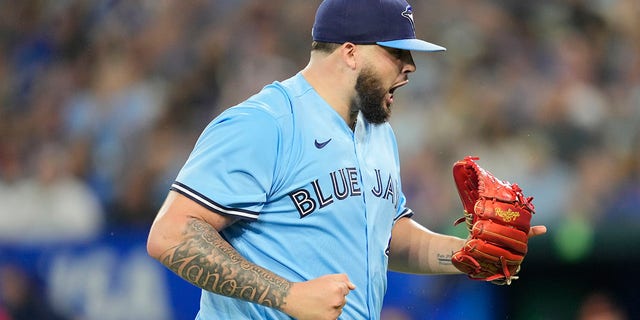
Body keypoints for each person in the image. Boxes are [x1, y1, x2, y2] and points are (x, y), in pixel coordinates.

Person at [146, 0, 547, 319]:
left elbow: (384, 236)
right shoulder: (266, 123)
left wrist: (463, 255)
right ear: (350, 52)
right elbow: (171, 235)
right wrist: (288, 296)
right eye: (396, 52)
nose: (410, 66)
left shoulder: (377, 132)